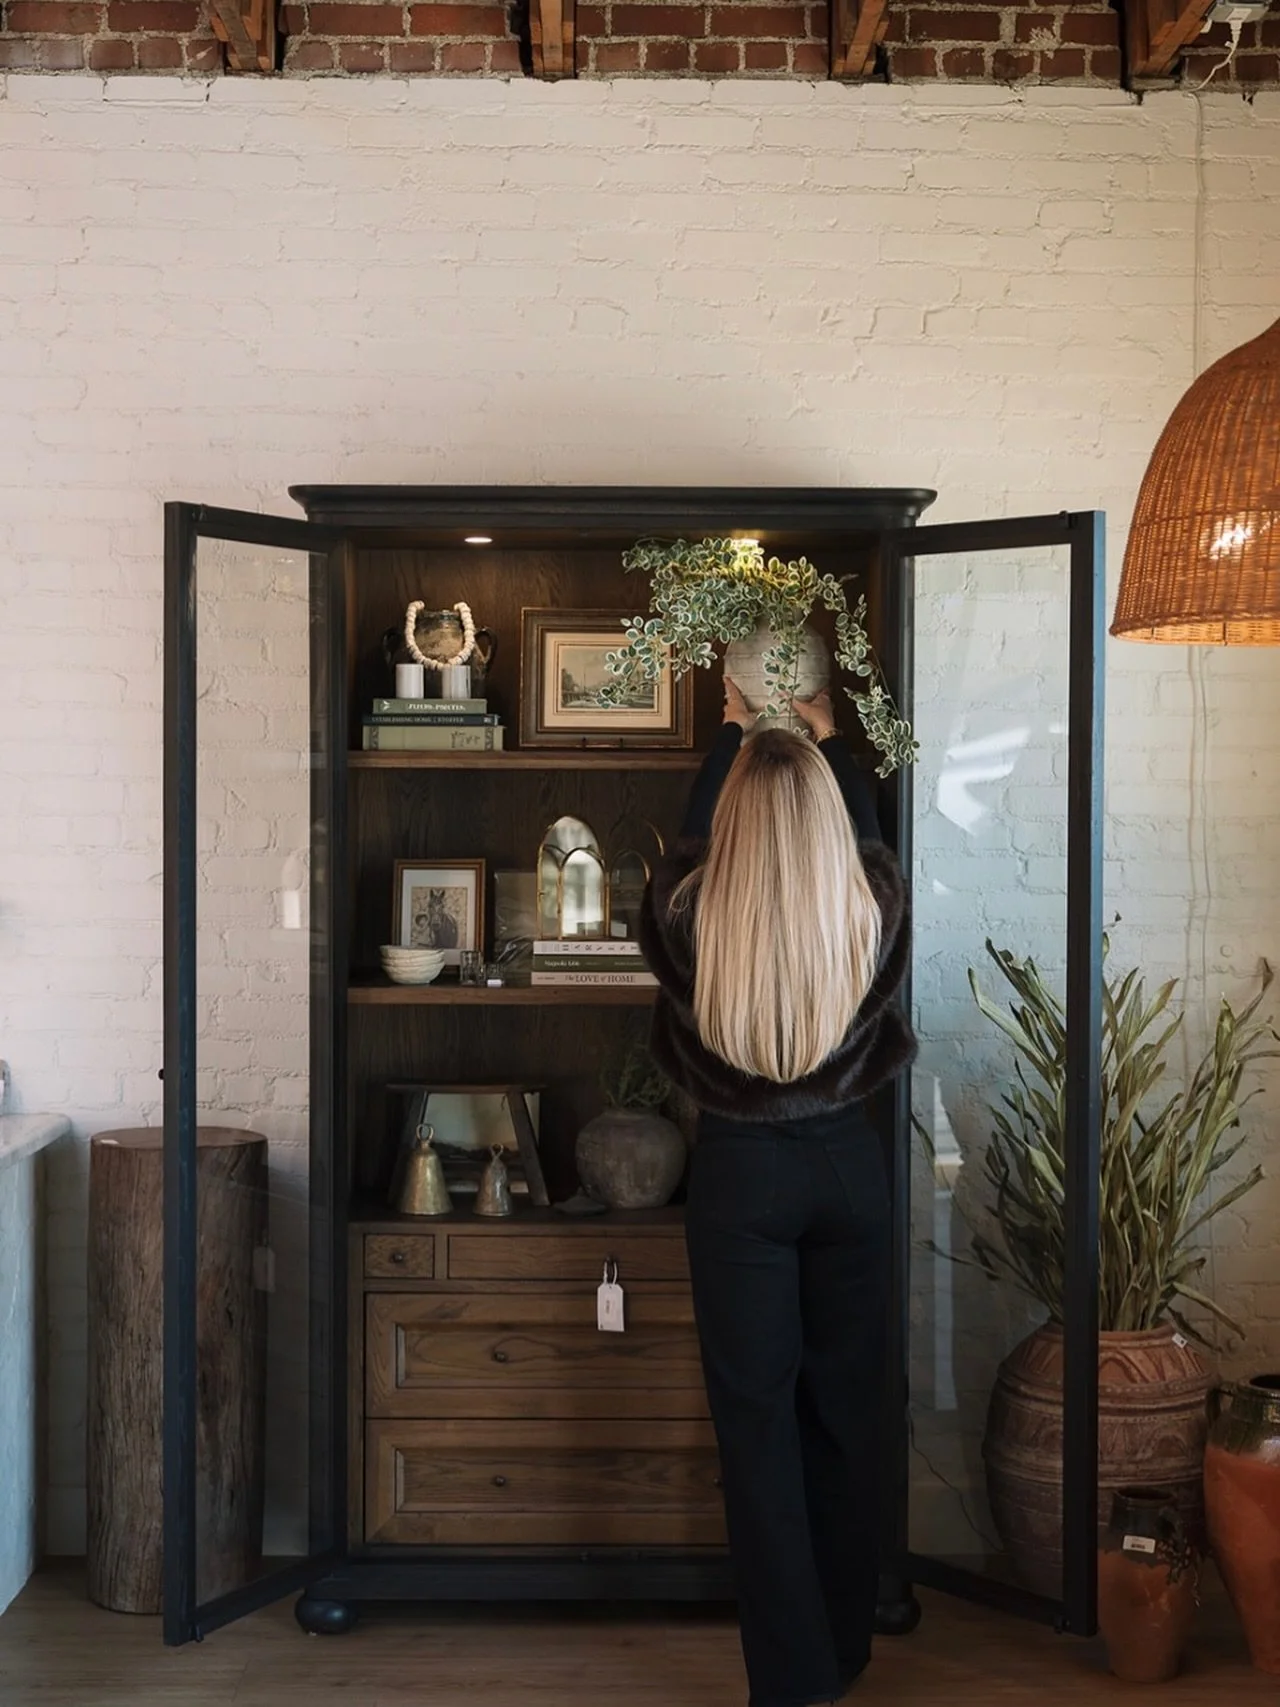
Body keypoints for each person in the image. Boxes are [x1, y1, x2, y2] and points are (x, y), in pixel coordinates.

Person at [638, 680, 915, 1707]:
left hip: (742, 1175)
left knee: (757, 1440)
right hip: (847, 1168)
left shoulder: (683, 907)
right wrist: (831, 739)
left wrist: (727, 732)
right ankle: (843, 1648)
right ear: (828, 818)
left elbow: (683, 843)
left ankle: (794, 1685)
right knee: (846, 1418)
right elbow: (869, 837)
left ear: (733, 819)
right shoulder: (870, 898)